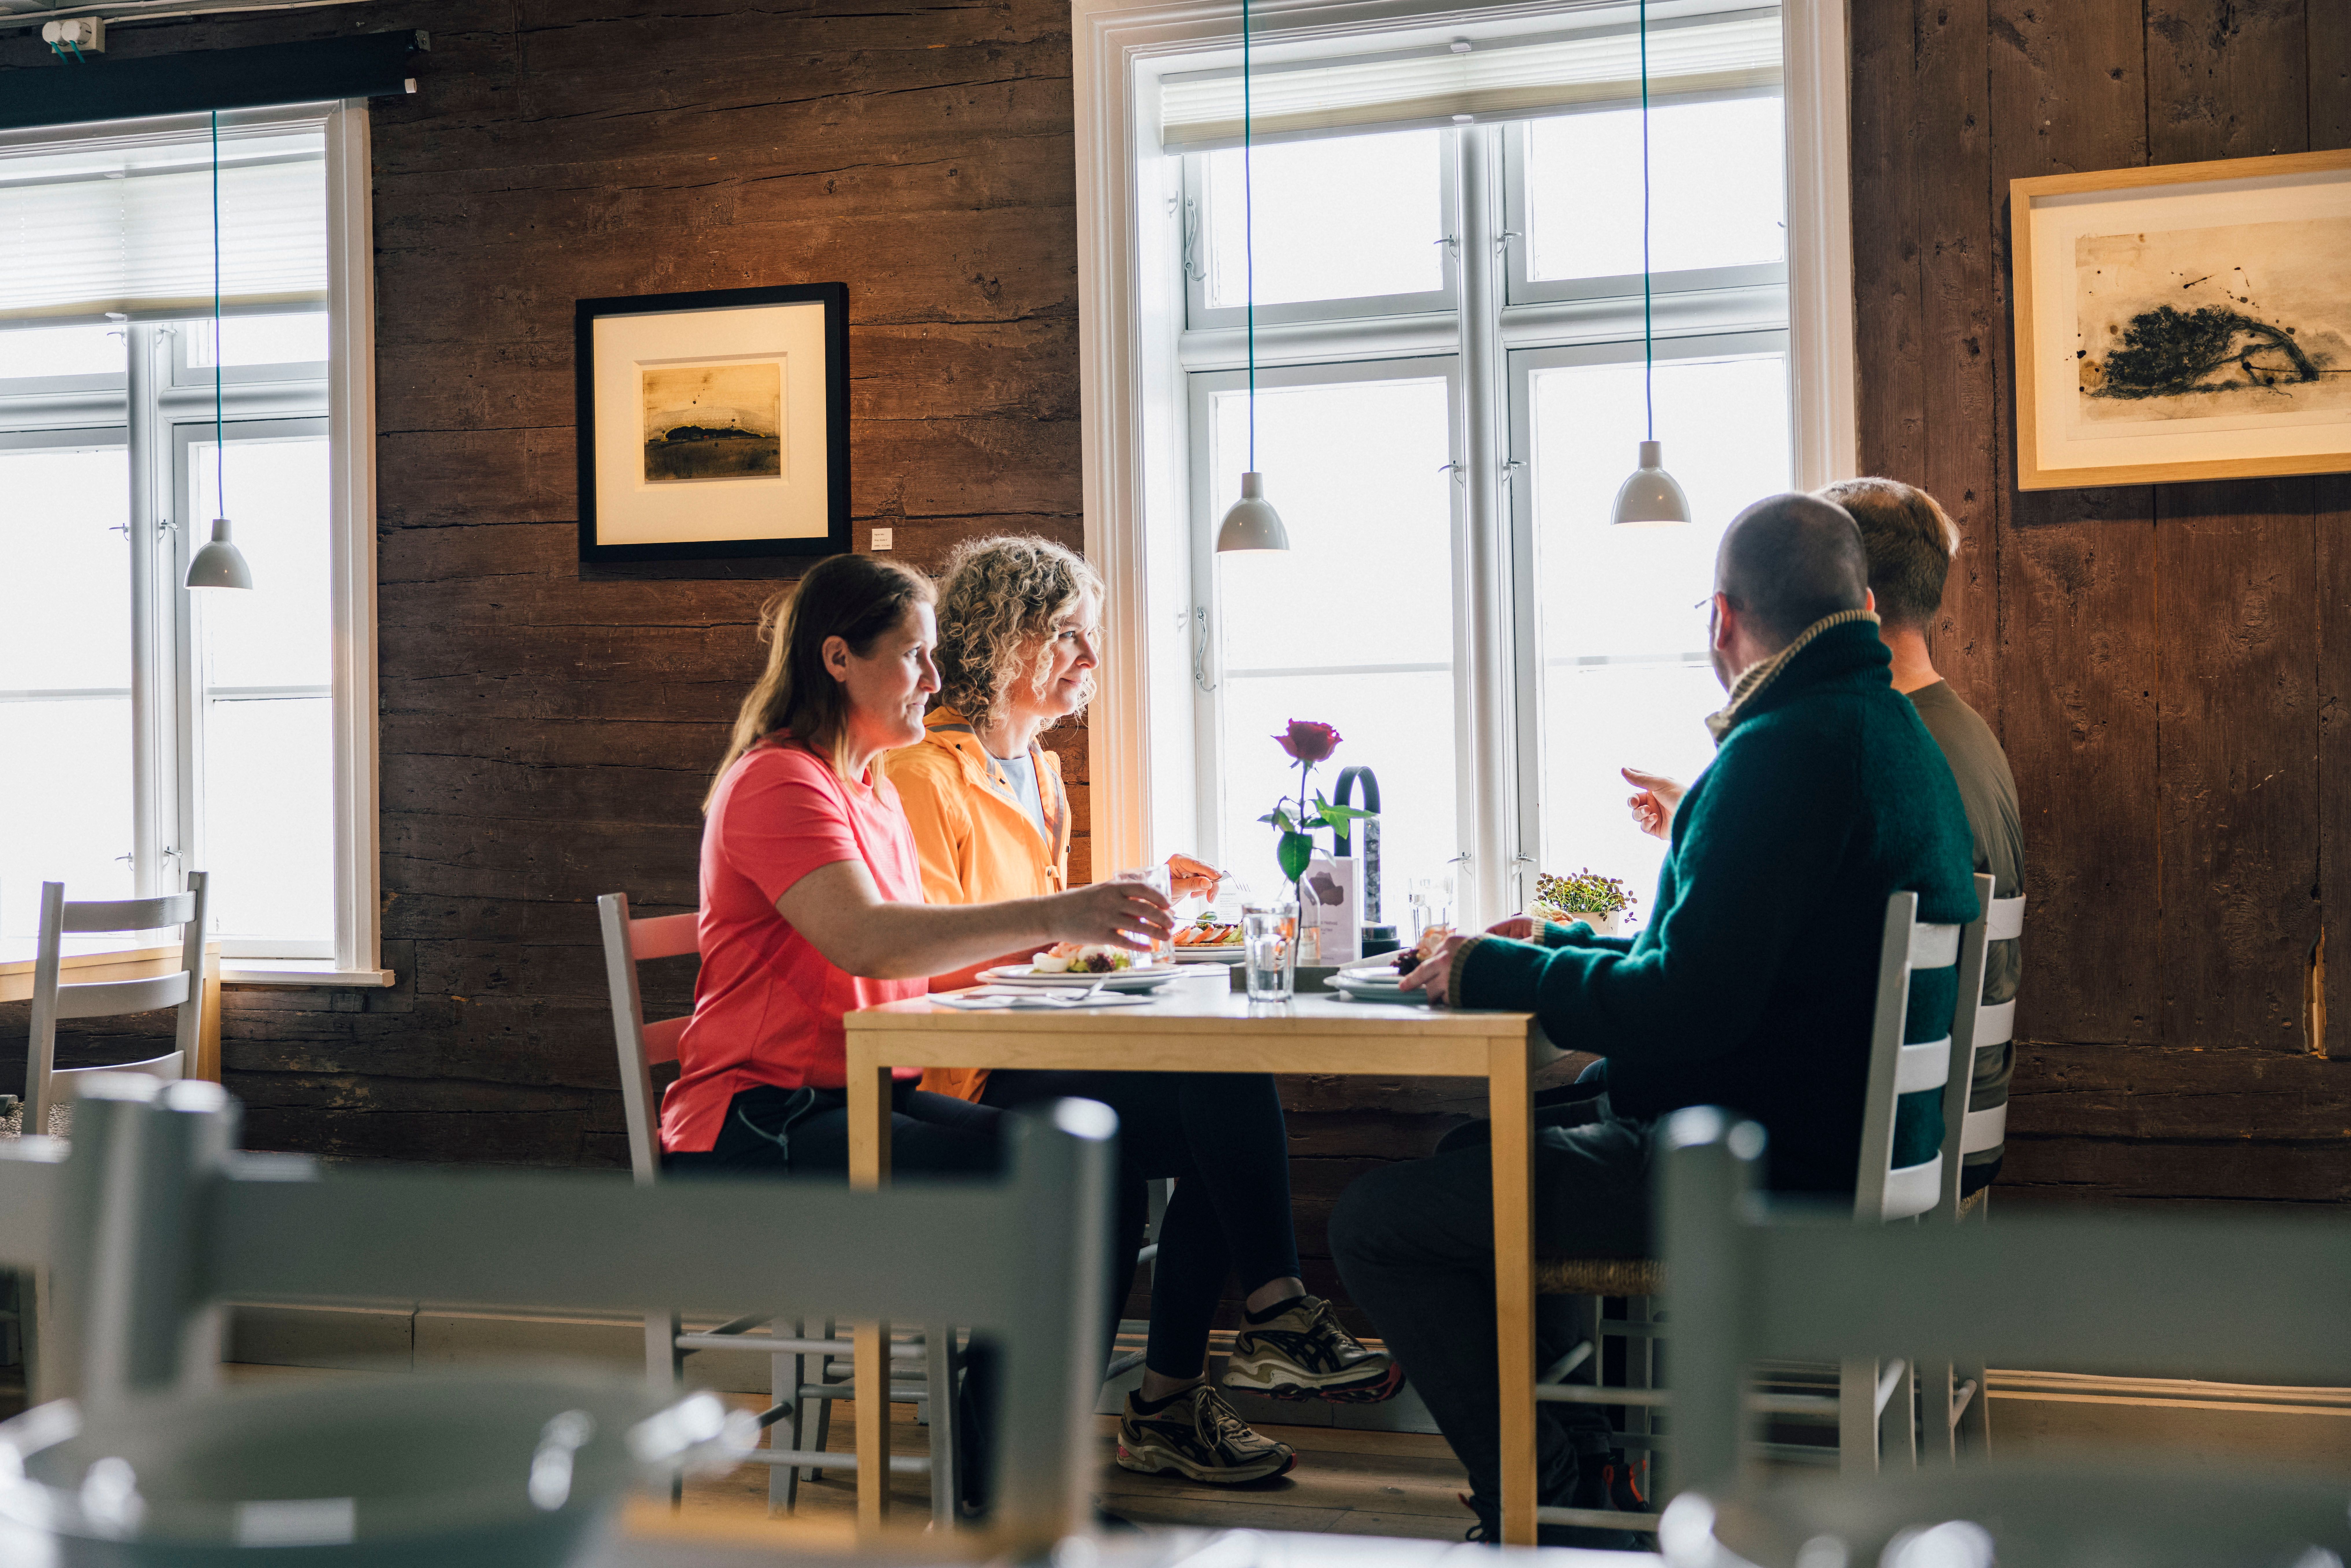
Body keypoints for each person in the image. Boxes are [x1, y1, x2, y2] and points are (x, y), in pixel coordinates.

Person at [1326, 494, 1978, 1545]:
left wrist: (1496, 966)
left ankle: (1545, 1501)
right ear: (1862, 606)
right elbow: (1700, 963)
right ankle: (1586, 1471)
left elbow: (1684, 1004)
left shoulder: (1780, 750)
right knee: (1469, 1153)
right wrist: (1536, 956)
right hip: (1838, 1144)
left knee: (1377, 1221)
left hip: (1749, 1166)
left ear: (1720, 620)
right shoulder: (1886, 731)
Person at [659, 553, 1173, 1510]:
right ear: (838, 659)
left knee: (1091, 1175)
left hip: (852, 1102)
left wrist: (1080, 948)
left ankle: (1008, 1465)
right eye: (915, 657)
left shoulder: (869, 787)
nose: (936, 682)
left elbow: (917, 962)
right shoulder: (779, 780)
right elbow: (867, 937)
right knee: (1045, 1190)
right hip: (757, 1127)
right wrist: (1060, 914)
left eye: (936, 658)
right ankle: (1002, 1477)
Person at [885, 535, 1396, 1489]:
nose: (1089, 660)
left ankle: (1178, 1390)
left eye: (1092, 637)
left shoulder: (1036, 774)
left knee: (1226, 1091)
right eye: (1071, 637)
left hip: (1042, 1045)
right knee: (1203, 1104)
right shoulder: (927, 775)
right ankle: (1259, 1321)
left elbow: (1039, 942)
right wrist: (1072, 930)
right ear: (1007, 640)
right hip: (969, 1069)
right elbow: (931, 955)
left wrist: (1119, 921)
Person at [1623, 477, 2023, 1194]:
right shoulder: (1952, 734)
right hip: (1946, 1117)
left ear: (1840, 591)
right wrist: (1705, 821)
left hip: (1889, 1142)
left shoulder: (1877, 750)